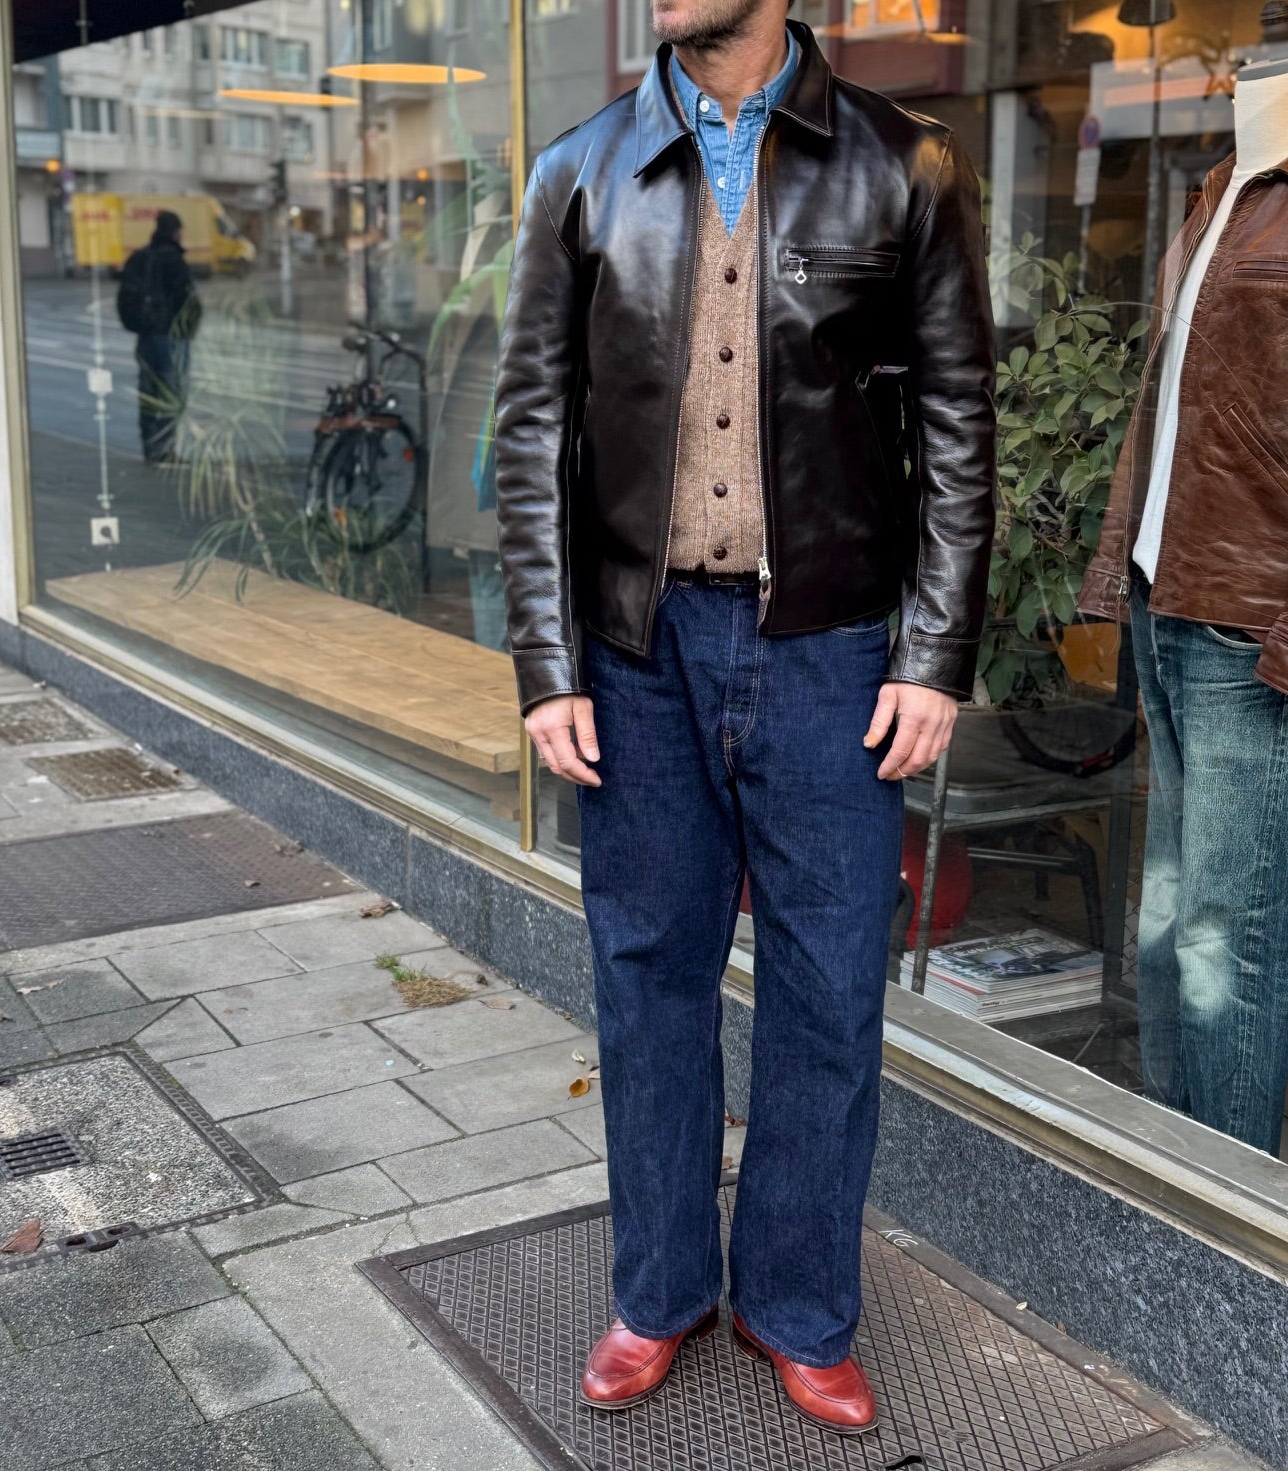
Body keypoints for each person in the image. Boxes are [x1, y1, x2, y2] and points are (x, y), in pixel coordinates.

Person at [495, 0, 994, 1435]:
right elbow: (531, 430)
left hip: (830, 650)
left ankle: (796, 1304)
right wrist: (547, 661)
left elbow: (957, 417)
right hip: (635, 654)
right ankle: (659, 1291)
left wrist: (933, 652)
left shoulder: (903, 163)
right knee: (646, 977)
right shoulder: (579, 170)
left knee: (828, 989)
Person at [117, 209, 201, 464]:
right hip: (171, 338)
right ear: (176, 232)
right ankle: (165, 449)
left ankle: (150, 448)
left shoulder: (140, 258)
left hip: (146, 336)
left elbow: (125, 295)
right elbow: (187, 300)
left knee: (149, 393)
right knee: (170, 394)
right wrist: (189, 329)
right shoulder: (174, 260)